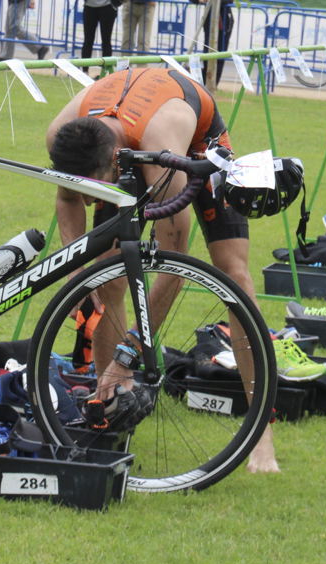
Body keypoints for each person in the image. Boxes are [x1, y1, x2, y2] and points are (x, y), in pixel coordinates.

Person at [45, 68, 281, 474]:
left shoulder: (159, 145)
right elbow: (67, 199)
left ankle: (261, 437)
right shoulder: (63, 135)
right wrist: (76, 276)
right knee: (106, 277)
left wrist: (130, 351)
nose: (87, 201)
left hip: (191, 147)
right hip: (122, 144)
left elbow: (174, 267)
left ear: (113, 166)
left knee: (235, 276)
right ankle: (112, 407)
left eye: (93, 191)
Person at [193, 0, 235, 85]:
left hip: (224, 24)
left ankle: (214, 85)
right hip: (209, 24)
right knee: (207, 55)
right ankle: (205, 84)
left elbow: (229, 1)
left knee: (220, 55)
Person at [80, 0, 117, 76]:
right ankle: (85, 72)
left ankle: (105, 73)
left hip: (108, 7)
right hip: (89, 7)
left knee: (106, 41)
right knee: (88, 41)